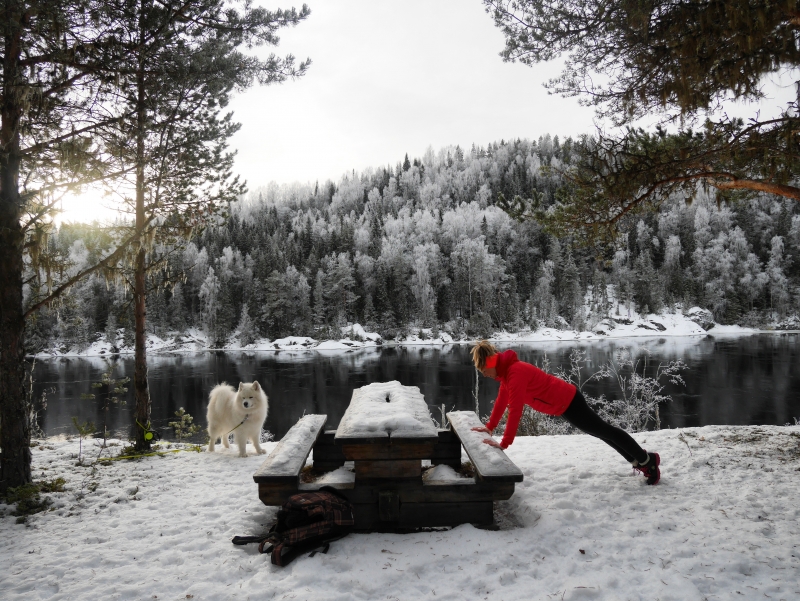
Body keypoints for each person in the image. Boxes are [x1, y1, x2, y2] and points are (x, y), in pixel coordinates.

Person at [469, 340, 661, 485]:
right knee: (602, 432)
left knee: (605, 431)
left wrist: (505, 443)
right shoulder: (507, 376)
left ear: (491, 363)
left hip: (569, 402)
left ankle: (647, 461)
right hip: (565, 404)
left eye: (484, 370)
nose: (484, 375)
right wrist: (490, 427)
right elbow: (502, 401)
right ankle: (640, 460)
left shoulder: (515, 373)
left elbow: (515, 409)